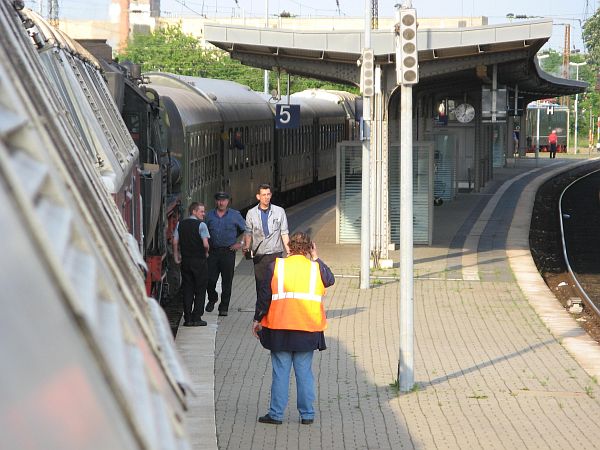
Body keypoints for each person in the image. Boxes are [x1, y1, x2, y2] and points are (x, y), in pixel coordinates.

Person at [251, 232, 335, 425]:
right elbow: (330, 280)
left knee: (280, 372)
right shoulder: (315, 269)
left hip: (280, 329)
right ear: (309, 248)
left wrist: (257, 320)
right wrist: (316, 256)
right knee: (304, 372)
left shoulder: (276, 266)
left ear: (289, 247)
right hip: (307, 329)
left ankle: (276, 415)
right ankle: (307, 415)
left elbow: (264, 297)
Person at [243, 183, 290, 297]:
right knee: (261, 285)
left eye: (268, 194)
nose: (266, 197)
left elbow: (284, 233)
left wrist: (289, 251)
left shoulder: (279, 211)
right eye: (263, 195)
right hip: (260, 256)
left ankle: (274, 312)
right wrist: (247, 247)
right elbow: (248, 232)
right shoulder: (251, 213)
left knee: (275, 285)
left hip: (275, 254)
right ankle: (262, 311)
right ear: (258, 197)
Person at [204, 191, 246, 317]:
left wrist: (241, 243)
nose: (221, 203)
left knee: (227, 281)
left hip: (228, 252)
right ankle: (212, 298)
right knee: (210, 280)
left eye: (224, 200)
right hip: (213, 252)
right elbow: (202, 230)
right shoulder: (209, 215)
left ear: (228, 201)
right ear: (216, 201)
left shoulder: (235, 215)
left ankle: (224, 307)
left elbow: (247, 229)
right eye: (219, 200)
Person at [172, 202, 210, 327]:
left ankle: (188, 318)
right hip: (199, 261)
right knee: (200, 289)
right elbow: (205, 244)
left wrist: (176, 256)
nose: (204, 214)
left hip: (186, 261)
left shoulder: (180, 224)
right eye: (202, 211)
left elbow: (175, 242)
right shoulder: (202, 225)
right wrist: (206, 253)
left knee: (188, 289)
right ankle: (197, 317)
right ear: (194, 211)